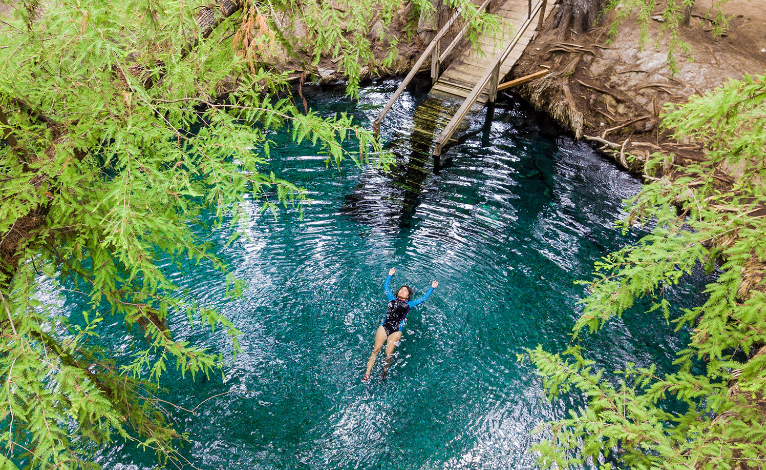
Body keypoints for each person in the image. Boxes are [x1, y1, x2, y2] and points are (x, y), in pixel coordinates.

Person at [362, 268, 438, 382]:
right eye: (401, 290)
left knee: (388, 353)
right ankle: (367, 373)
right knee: (376, 349)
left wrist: (431, 288)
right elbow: (386, 287)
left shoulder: (410, 304)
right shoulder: (391, 298)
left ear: (408, 296)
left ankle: (384, 371)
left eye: (405, 291)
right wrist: (389, 275)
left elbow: (424, 298)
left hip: (397, 330)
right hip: (384, 326)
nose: (402, 291)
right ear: (397, 292)